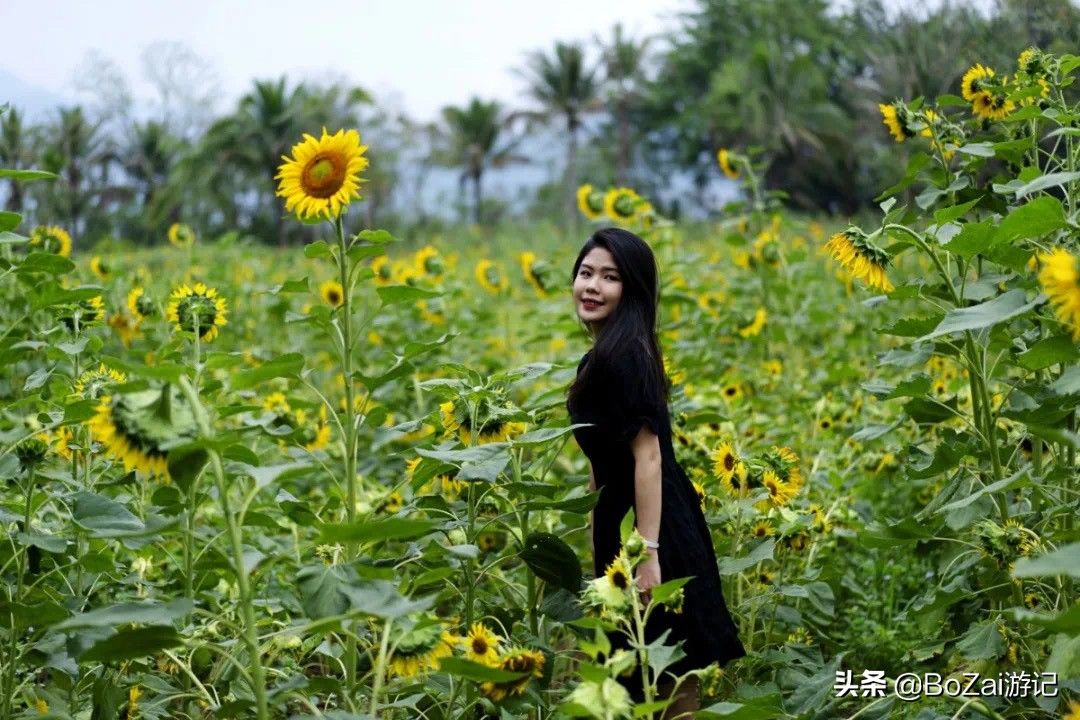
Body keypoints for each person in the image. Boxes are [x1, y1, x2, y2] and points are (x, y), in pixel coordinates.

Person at [565, 227, 746, 716]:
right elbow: (600, 458)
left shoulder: (628, 358)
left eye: (610, 277)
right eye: (585, 273)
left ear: (633, 291)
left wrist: (648, 553)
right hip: (622, 526)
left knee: (669, 668)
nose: (592, 286)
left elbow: (648, 457)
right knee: (635, 670)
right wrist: (596, 535)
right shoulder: (599, 359)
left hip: (653, 528)